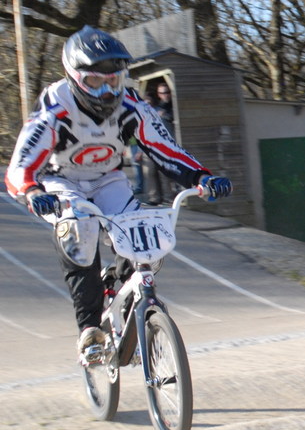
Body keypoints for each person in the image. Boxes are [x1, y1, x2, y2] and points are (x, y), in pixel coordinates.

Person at [5, 26, 232, 358]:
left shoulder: (132, 104)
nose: (106, 92)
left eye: (113, 81)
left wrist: (201, 176)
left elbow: (166, 149)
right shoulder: (55, 108)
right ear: (74, 77)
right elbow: (19, 167)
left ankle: (127, 300)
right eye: (95, 82)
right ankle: (90, 331)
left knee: (147, 239)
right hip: (61, 181)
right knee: (79, 232)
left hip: (107, 178)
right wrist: (31, 190)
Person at [143, 82, 176, 205]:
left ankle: (168, 197)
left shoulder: (172, 106)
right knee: (150, 171)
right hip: (150, 144)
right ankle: (154, 198)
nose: (165, 95)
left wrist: (166, 116)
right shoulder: (154, 110)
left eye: (167, 92)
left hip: (166, 144)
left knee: (164, 172)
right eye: (162, 93)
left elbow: (175, 119)